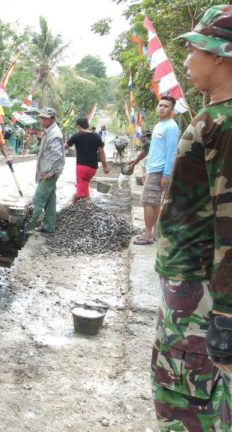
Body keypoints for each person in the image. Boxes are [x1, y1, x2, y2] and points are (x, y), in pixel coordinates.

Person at [152, 5, 232, 430]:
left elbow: (229, 222)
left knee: (187, 403)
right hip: (189, 288)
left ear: (219, 54)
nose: (186, 60)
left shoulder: (224, 125)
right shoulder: (214, 117)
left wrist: (226, 313)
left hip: (200, 295)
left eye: (194, 50)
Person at [133, 95, 181, 246]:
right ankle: (152, 233)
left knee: (148, 201)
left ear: (172, 110)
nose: (162, 108)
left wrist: (166, 175)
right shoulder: (159, 125)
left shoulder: (171, 127)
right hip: (153, 169)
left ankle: (148, 235)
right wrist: (146, 170)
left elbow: (172, 152)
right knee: (153, 202)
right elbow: (154, 150)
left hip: (160, 170)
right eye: (160, 105)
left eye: (166, 106)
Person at [28, 107, 65, 235]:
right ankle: (48, 227)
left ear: (52, 119)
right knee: (50, 200)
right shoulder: (48, 131)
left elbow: (58, 156)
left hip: (48, 173)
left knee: (38, 199)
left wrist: (50, 173)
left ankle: (27, 226)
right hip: (47, 172)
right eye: (41, 118)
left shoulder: (54, 134)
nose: (42, 121)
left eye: (45, 118)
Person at [65, 118, 109, 202]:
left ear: (78, 126)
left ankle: (87, 207)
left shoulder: (76, 136)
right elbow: (101, 152)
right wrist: (105, 167)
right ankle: (73, 204)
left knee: (84, 194)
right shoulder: (97, 136)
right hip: (93, 168)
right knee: (81, 186)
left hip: (82, 167)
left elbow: (65, 146)